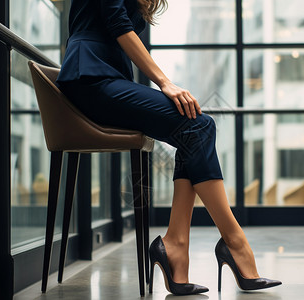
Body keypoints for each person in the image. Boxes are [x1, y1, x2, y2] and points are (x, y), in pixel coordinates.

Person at [56, 0, 281, 296]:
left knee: (195, 130)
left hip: (107, 79)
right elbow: (118, 25)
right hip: (89, 78)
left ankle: (176, 246)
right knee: (198, 126)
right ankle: (232, 241)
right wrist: (164, 82)